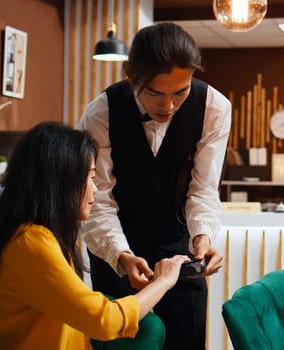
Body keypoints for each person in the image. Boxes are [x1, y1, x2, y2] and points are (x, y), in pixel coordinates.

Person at [78, 22, 230, 350]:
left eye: (181, 92)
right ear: (133, 76)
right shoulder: (101, 113)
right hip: (116, 250)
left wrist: (202, 239)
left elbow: (203, 188)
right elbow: (98, 197)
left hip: (180, 253)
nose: (169, 106)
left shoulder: (214, 108)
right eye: (156, 93)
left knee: (185, 340)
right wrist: (120, 256)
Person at [0, 122, 188, 350]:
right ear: (60, 182)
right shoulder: (30, 242)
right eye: (90, 177)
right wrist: (164, 281)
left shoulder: (40, 237)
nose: (95, 189)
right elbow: (104, 321)